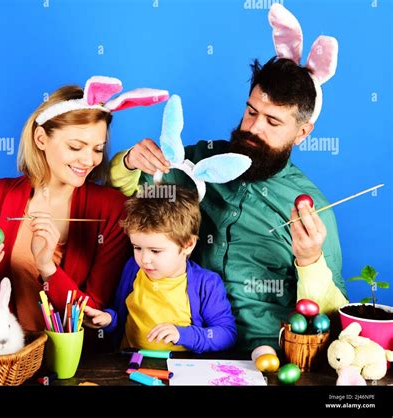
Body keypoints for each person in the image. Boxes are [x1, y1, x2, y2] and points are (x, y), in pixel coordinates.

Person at [109, 57, 349, 350]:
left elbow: (334, 315)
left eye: (272, 121)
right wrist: (129, 161)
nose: (253, 128)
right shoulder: (196, 162)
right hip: (186, 348)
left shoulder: (311, 210)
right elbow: (129, 190)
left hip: (263, 357)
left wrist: (310, 261)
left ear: (302, 133)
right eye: (251, 112)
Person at [0, 77, 168, 332]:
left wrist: (48, 268)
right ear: (41, 138)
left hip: (78, 362)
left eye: (97, 148)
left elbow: (94, 315)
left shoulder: (113, 210)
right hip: (7, 358)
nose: (88, 160)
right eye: (75, 146)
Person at [83, 187, 237, 353]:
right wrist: (108, 320)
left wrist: (182, 334)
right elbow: (121, 315)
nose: (144, 259)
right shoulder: (132, 269)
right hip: (130, 365)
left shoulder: (207, 284)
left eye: (155, 251)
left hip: (180, 371)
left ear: (188, 244)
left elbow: (226, 334)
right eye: (137, 247)